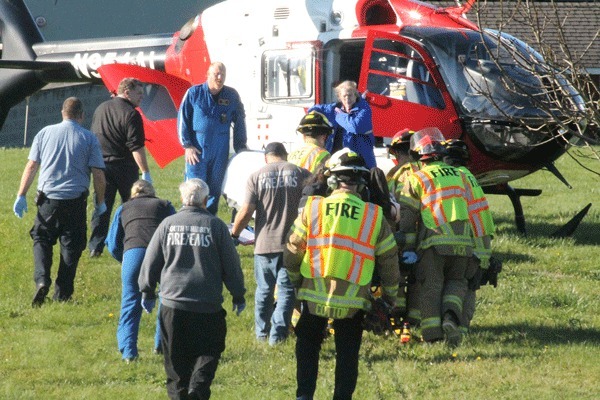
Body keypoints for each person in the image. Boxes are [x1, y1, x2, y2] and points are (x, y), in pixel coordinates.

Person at [283, 149, 400, 400]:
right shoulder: (374, 215)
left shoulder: (312, 208)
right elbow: (389, 260)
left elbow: (293, 248)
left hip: (313, 297)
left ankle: (304, 396)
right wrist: (391, 297)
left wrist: (294, 282)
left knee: (307, 348)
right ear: (361, 184)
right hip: (353, 301)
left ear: (332, 180)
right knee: (348, 355)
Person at [138, 178, 246, 400]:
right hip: (207, 307)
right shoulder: (215, 226)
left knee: (175, 363)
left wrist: (147, 291)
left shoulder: (168, 224)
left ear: (182, 199)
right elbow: (231, 265)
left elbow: (151, 261)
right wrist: (238, 294)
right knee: (209, 352)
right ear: (206, 200)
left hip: (172, 305)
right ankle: (197, 390)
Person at [13, 96, 106, 306]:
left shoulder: (44, 133)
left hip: (48, 201)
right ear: (81, 115)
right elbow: (98, 175)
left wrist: (21, 195)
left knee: (42, 239)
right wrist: (101, 203)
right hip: (75, 202)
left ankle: (41, 280)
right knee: (71, 247)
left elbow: (31, 166)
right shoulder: (88, 138)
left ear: (62, 113)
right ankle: (62, 293)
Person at [231, 142, 311, 345]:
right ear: (285, 155)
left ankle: (261, 334)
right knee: (285, 291)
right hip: (292, 244)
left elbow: (246, 211)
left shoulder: (256, 176)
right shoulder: (300, 173)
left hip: (264, 244)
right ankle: (278, 337)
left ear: (266, 157)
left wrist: (235, 234)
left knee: (264, 290)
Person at [398, 127, 473, 346]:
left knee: (430, 287)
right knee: (457, 283)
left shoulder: (416, 178)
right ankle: (450, 317)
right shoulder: (460, 176)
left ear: (421, 158)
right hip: (464, 243)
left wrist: (408, 247)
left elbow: (408, 218)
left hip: (434, 242)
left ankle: (432, 337)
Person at [106, 180, 176, 362]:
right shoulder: (165, 205)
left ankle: (129, 353)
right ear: (152, 192)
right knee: (166, 300)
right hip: (161, 255)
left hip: (133, 254)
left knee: (130, 303)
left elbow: (113, 244)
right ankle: (161, 345)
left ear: (133, 193)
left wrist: (125, 259)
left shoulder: (124, 208)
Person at [88, 77, 152, 257]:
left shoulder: (101, 108)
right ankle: (130, 241)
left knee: (101, 205)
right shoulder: (131, 114)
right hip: (125, 167)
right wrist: (146, 172)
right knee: (131, 207)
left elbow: (94, 136)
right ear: (127, 92)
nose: (142, 97)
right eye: (139, 93)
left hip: (101, 166)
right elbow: (136, 147)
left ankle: (95, 246)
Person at [178, 61, 248, 215]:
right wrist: (187, 145)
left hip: (220, 149)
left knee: (214, 189)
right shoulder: (194, 93)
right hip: (198, 149)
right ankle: (190, 219)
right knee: (194, 188)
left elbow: (240, 120)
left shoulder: (232, 95)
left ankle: (210, 221)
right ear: (208, 75)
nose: (220, 77)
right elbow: (183, 119)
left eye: (223, 74)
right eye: (216, 73)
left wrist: (241, 146)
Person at [443, 139, 496, 334]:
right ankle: (463, 329)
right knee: (471, 286)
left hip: (468, 239)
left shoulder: (455, 177)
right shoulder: (470, 177)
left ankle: (453, 323)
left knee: (457, 282)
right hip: (482, 239)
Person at [386, 129, 422, 325]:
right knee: (419, 278)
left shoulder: (397, 176)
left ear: (400, 154)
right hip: (426, 234)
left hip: (402, 234)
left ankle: (396, 313)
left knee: (398, 274)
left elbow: (395, 209)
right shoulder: (425, 170)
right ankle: (415, 318)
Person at [309, 80, 377, 169]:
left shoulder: (364, 108)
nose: (347, 99)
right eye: (344, 96)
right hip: (337, 160)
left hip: (361, 162)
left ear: (355, 95)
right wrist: (313, 113)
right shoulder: (334, 108)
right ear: (339, 97)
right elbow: (314, 109)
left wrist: (339, 116)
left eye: (350, 95)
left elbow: (355, 126)